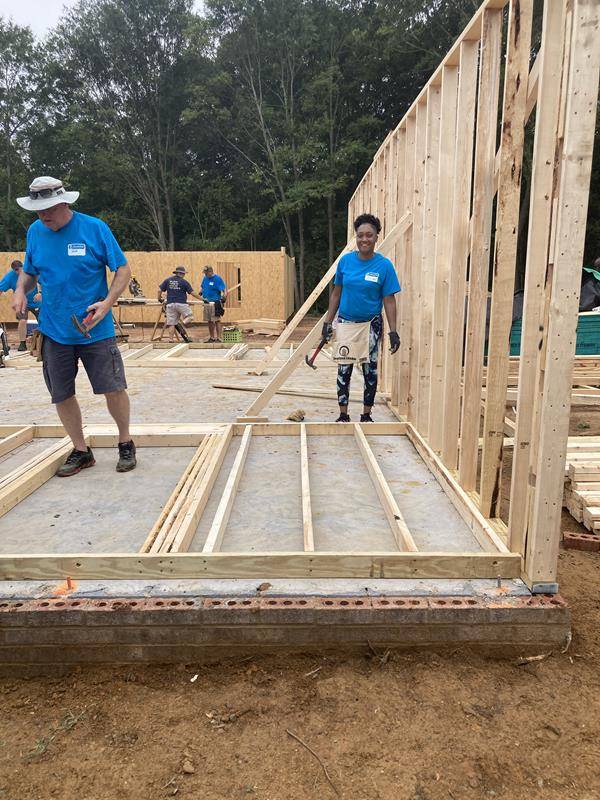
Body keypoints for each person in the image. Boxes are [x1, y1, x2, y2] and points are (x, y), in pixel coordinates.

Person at [13, 175, 137, 476]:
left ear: (65, 202)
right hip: (55, 331)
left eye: (50, 209)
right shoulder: (35, 232)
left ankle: (125, 442)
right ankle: (81, 450)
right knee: (61, 393)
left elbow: (122, 269)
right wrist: (20, 290)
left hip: (95, 328)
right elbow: (29, 272)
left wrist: (107, 303)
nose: (44, 215)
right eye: (38, 210)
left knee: (113, 388)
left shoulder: (94, 229)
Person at [322, 213, 400, 422]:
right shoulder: (346, 262)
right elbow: (336, 293)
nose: (364, 239)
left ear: (376, 237)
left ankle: (366, 414)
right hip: (347, 323)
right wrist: (328, 322)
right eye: (360, 235)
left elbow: (389, 300)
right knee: (344, 369)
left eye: (369, 235)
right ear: (356, 237)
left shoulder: (384, 266)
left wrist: (393, 331)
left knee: (370, 370)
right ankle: (343, 414)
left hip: (371, 325)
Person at [0, 259, 42, 351]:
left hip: (36, 302)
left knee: (43, 320)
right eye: (18, 271)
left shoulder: (31, 272)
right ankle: (22, 343)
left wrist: (40, 293)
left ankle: (45, 342)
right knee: (22, 320)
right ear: (14, 270)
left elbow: (46, 282)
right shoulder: (9, 277)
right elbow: (1, 289)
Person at [158, 266, 201, 342]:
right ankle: (182, 324)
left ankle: (171, 340)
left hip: (170, 304)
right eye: (183, 273)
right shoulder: (184, 282)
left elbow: (159, 290)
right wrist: (203, 299)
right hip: (181, 303)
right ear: (180, 273)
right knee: (190, 317)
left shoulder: (168, 280)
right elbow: (192, 293)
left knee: (171, 323)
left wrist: (159, 298)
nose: (184, 275)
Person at [199, 265, 226, 342]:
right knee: (209, 320)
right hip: (207, 302)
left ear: (211, 272)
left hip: (215, 302)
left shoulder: (217, 279)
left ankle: (219, 338)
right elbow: (203, 286)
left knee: (217, 320)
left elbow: (224, 289)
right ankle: (212, 337)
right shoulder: (205, 278)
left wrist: (224, 296)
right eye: (204, 273)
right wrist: (201, 291)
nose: (205, 274)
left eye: (206, 273)